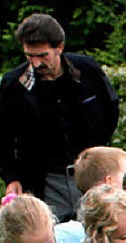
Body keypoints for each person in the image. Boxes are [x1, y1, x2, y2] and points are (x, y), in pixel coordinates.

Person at [0, 13, 119, 222]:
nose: (36, 63)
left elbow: (110, 109)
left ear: (59, 47)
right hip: (44, 180)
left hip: (91, 174)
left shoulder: (87, 71)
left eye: (43, 55)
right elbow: (4, 137)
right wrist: (12, 178)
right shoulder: (14, 85)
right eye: (29, 56)